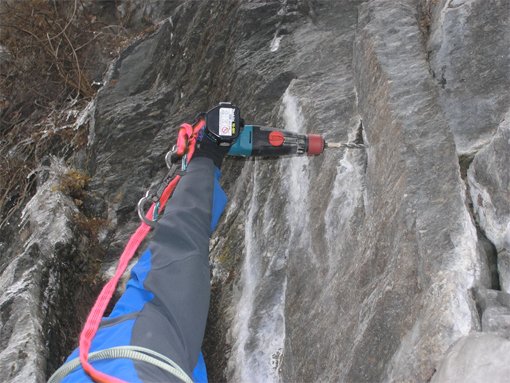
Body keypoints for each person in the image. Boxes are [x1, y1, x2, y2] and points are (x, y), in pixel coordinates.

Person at [54, 121, 230, 382]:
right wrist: (207, 156)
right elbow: (176, 251)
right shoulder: (149, 332)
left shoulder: (150, 331)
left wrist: (207, 156)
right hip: (130, 356)